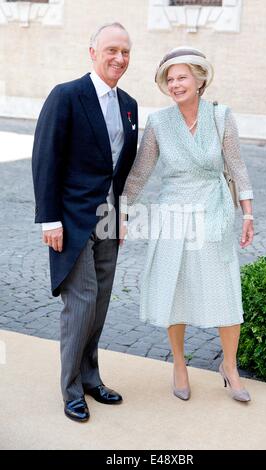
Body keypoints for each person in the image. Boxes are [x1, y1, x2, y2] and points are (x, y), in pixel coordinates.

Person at [120, 47, 254, 402]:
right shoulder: (160, 123)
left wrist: (248, 214)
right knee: (175, 289)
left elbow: (237, 166)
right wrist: (120, 210)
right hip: (173, 218)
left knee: (225, 290)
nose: (175, 84)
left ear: (200, 79)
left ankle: (230, 366)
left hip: (214, 213)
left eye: (181, 77)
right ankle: (179, 364)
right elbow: (140, 172)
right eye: (170, 79)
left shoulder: (222, 116)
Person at [32, 23, 138, 422]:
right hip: (72, 220)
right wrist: (48, 220)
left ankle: (91, 377)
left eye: (125, 52)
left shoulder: (129, 104)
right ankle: (71, 389)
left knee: (101, 303)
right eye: (112, 50)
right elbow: (45, 158)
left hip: (108, 218)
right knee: (81, 302)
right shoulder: (67, 96)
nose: (119, 59)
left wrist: (121, 213)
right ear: (92, 52)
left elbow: (121, 169)